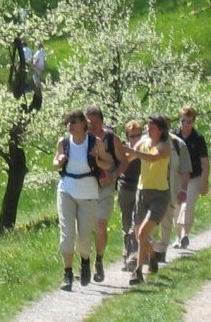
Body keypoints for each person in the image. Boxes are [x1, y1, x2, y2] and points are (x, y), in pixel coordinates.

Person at [54, 110, 113, 290]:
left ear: (83, 124)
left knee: (84, 236)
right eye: (68, 122)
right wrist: (60, 160)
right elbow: (55, 162)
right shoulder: (63, 142)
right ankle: (67, 273)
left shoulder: (95, 143)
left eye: (73, 122)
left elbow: (107, 164)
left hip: (88, 193)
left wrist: (96, 159)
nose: (69, 125)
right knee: (67, 234)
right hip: (67, 190)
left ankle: (85, 260)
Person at [123, 114, 171, 286]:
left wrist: (133, 151)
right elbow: (128, 158)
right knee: (139, 235)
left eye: (151, 128)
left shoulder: (165, 146)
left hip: (159, 195)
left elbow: (152, 157)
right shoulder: (143, 143)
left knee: (142, 233)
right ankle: (151, 255)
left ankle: (137, 272)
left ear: (160, 130)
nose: (147, 130)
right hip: (142, 192)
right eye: (147, 127)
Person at [84, 106, 129, 282]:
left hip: (105, 188)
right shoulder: (82, 140)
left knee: (101, 224)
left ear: (102, 121)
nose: (92, 125)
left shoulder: (111, 139)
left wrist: (113, 176)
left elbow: (124, 162)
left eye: (95, 122)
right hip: (86, 188)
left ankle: (99, 260)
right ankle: (85, 261)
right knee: (85, 229)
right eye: (89, 122)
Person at [151, 116, 190, 264]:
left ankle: (161, 251)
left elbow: (185, 170)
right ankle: (150, 250)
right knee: (150, 221)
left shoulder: (178, 144)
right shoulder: (148, 142)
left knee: (166, 221)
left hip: (170, 188)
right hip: (151, 187)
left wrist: (184, 190)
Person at [175, 106, 211, 248]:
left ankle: (184, 234)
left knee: (188, 205)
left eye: (189, 122)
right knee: (177, 207)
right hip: (177, 177)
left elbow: (205, 163)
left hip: (194, 177)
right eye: (183, 121)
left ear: (193, 122)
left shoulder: (198, 139)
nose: (186, 125)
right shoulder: (174, 136)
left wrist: (204, 181)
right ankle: (178, 237)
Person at [117, 120, 144, 273]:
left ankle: (133, 257)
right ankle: (126, 254)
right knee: (126, 224)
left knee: (136, 223)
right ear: (127, 136)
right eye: (132, 136)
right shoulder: (122, 149)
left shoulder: (144, 149)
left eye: (138, 135)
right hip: (125, 187)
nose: (135, 138)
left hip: (140, 187)